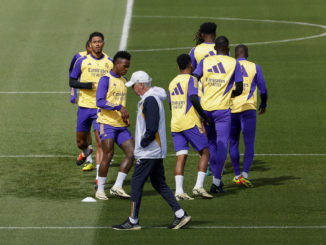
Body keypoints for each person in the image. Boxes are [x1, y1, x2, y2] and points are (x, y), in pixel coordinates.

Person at [112, 71, 191, 230]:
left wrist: (142, 142)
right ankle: (180, 214)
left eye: (134, 85)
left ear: (141, 85)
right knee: (158, 183)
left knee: (136, 183)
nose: (133, 89)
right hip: (154, 150)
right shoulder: (151, 99)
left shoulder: (150, 101)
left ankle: (133, 221)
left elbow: (152, 126)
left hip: (149, 151)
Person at [193, 36, 243, 193]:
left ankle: (214, 176)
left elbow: (194, 78)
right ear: (228, 48)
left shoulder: (205, 62)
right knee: (222, 143)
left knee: (211, 144)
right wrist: (230, 93)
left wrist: (199, 94)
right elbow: (240, 89)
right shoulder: (234, 63)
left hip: (205, 109)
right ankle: (216, 182)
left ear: (215, 48)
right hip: (222, 110)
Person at [168, 54, 213, 200]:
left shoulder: (172, 82)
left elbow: (170, 105)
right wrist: (205, 117)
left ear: (178, 67)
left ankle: (179, 191)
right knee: (205, 153)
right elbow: (193, 98)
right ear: (191, 65)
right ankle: (198, 187)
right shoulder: (192, 79)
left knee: (181, 157)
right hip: (190, 123)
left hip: (176, 124)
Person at [69, 32, 113, 178]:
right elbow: (72, 81)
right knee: (80, 141)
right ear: (90, 44)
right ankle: (86, 152)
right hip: (84, 107)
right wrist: (87, 85)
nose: (97, 44)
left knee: (100, 143)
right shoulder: (82, 61)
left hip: (101, 109)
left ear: (103, 43)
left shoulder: (110, 62)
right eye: (95, 42)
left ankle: (98, 179)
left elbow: (118, 81)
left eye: (100, 41)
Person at [95, 51, 134, 200]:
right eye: (125, 66)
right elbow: (100, 101)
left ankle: (117, 186)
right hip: (107, 124)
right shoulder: (105, 79)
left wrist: (125, 117)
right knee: (108, 154)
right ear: (117, 64)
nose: (126, 69)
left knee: (132, 153)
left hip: (120, 125)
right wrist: (118, 107)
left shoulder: (124, 81)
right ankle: (100, 190)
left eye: (128, 67)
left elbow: (121, 103)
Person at [229, 44, 268, 187]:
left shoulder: (230, 66)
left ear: (235, 54)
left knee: (233, 142)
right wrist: (263, 104)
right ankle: (245, 175)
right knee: (249, 143)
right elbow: (263, 89)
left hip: (232, 110)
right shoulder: (254, 67)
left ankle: (237, 175)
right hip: (248, 109)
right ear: (247, 54)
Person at [68, 40, 95, 171]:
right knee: (85, 132)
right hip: (84, 101)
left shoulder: (103, 60)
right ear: (87, 47)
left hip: (97, 102)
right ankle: (88, 157)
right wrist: (73, 94)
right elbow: (71, 75)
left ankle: (94, 158)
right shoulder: (79, 57)